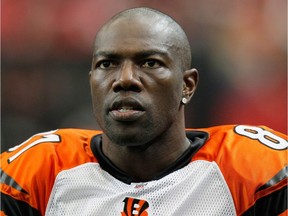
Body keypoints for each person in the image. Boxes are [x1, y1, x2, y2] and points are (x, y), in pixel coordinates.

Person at [1, 7, 287, 216]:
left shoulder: (252, 171)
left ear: (187, 85)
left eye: (149, 63)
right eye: (107, 64)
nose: (124, 79)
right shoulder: (38, 173)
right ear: (91, 83)